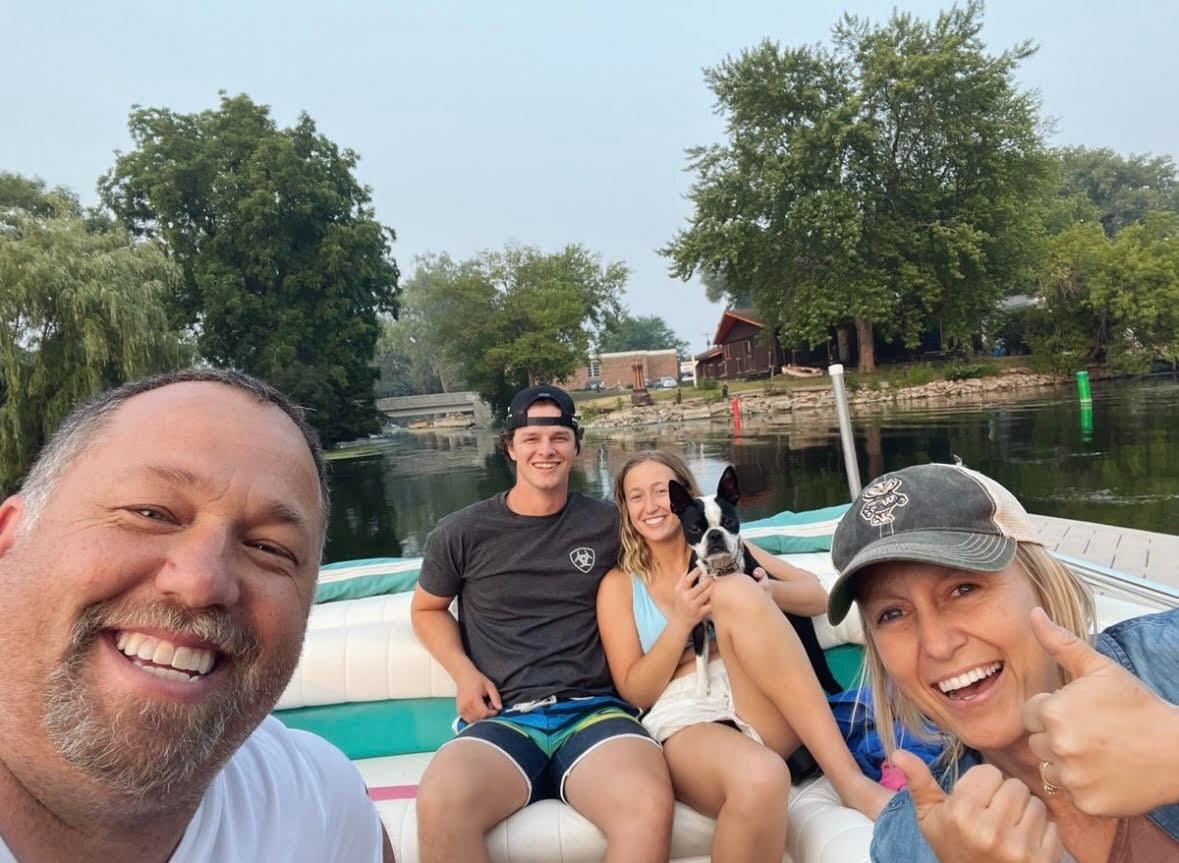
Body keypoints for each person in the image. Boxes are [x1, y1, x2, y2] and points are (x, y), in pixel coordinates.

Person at [0, 369, 393, 862]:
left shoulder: (317, 805)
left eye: (269, 548)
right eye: (151, 513)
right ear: (10, 538)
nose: (201, 582)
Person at [825, 461, 1179, 863]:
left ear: (1042, 586)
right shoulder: (911, 843)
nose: (937, 645)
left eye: (963, 588)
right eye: (892, 614)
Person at [410, 386, 674, 863]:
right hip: (504, 718)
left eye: (558, 437)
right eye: (531, 438)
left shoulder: (611, 524)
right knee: (441, 801)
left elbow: (680, 544)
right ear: (510, 447)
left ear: (575, 446)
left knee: (647, 801)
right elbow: (427, 609)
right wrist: (464, 672)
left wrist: (765, 577)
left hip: (597, 711)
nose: (545, 450)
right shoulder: (460, 533)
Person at [596, 451, 893, 863]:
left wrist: (765, 593)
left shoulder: (730, 543)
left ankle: (850, 781)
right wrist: (682, 622)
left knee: (735, 589)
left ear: (683, 495)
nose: (652, 506)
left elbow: (818, 596)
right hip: (687, 714)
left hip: (756, 691)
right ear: (625, 510)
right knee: (762, 777)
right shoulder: (620, 584)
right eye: (636, 496)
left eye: (662, 491)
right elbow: (635, 690)